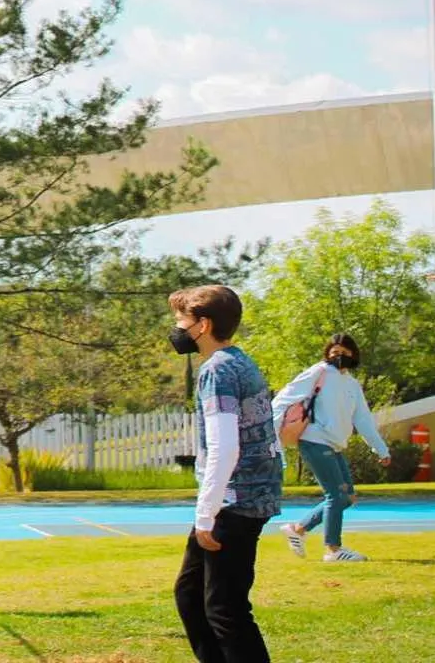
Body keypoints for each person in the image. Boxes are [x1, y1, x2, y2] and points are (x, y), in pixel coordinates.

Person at [168, 284, 281, 663]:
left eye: (181, 321)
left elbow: (224, 447)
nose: (177, 329)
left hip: (234, 503)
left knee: (225, 610)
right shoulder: (238, 362)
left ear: (203, 325)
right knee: (191, 596)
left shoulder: (217, 371)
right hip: (242, 498)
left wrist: (206, 514)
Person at [271, 333, 390, 562]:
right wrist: (273, 435)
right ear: (327, 354)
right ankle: (333, 550)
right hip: (315, 440)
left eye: (344, 353)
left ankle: (298, 529)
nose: (339, 357)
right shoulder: (319, 372)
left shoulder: (352, 385)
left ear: (353, 355)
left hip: (334, 444)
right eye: (334, 353)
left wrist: (381, 449)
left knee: (347, 497)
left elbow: (363, 419)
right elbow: (283, 398)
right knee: (336, 495)